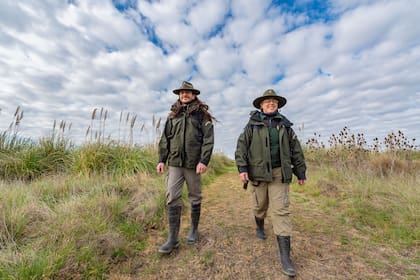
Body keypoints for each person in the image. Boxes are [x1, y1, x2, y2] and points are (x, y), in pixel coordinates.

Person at [235, 89, 306, 277]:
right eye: (267, 101)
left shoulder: (285, 126)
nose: (271, 103)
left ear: (278, 105)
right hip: (258, 173)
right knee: (260, 206)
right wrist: (242, 169)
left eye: (274, 101)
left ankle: (285, 258)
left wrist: (300, 171)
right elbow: (241, 147)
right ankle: (259, 225)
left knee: (281, 210)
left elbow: (296, 150)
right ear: (261, 105)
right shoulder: (252, 125)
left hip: (279, 173)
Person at [156, 81, 215, 254]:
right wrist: (161, 159)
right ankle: (173, 238)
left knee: (195, 196)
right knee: (172, 196)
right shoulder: (173, 115)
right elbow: (165, 139)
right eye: (182, 92)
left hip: (193, 164)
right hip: (174, 163)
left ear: (194, 94)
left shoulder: (202, 116)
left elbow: (208, 140)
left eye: (188, 92)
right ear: (179, 95)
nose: (185, 95)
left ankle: (194, 230)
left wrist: (203, 161)